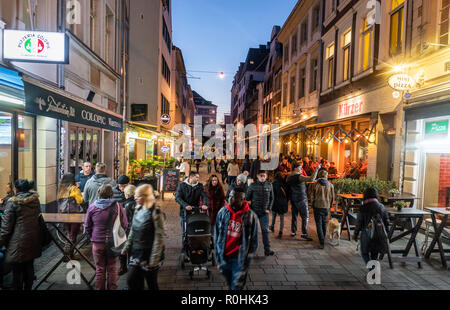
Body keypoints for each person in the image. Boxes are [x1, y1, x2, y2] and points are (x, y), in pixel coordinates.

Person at [0, 180, 42, 290]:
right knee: (29, 265)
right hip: (33, 238)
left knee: (17, 271)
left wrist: (1, 242)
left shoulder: (12, 202)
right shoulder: (35, 200)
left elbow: (6, 228)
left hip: (18, 242)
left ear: (16, 189)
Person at [84, 184, 128, 290]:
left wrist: (92, 237)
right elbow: (125, 224)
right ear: (111, 194)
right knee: (112, 268)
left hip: (97, 242)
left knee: (100, 269)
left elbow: (87, 226)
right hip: (113, 242)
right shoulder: (118, 206)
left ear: (99, 193)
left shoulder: (92, 207)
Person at [122, 184, 165, 290]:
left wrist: (154, 259)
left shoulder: (155, 212)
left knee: (151, 283)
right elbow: (133, 229)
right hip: (136, 251)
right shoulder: (137, 208)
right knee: (132, 280)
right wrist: (127, 246)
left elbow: (159, 237)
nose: (135, 197)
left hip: (149, 252)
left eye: (138, 195)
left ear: (145, 196)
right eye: (135, 195)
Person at [215, 188, 258, 290]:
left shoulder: (250, 216)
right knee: (230, 284)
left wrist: (247, 260)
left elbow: (254, 241)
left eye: (234, 197)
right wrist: (218, 256)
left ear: (242, 199)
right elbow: (216, 234)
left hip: (239, 259)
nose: (230, 199)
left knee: (237, 287)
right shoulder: (222, 212)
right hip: (224, 257)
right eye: (230, 196)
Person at [354, 187, 390, 265]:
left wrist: (356, 234)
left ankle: (372, 270)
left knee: (364, 253)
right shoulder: (381, 207)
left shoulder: (363, 208)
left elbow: (358, 222)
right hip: (378, 234)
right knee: (375, 254)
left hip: (366, 234)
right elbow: (387, 221)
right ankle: (373, 272)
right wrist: (387, 233)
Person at [287, 162, 320, 240]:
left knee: (294, 215)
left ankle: (293, 231)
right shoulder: (298, 176)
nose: (301, 169)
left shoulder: (289, 176)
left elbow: (297, 184)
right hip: (301, 198)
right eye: (300, 167)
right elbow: (311, 178)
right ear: (295, 168)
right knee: (305, 216)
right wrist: (316, 169)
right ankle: (304, 233)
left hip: (293, 198)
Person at [175, 172, 209, 246]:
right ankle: (185, 246)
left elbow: (204, 196)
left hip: (195, 211)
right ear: (191, 177)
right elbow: (177, 197)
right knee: (185, 231)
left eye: (198, 177)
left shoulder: (199, 186)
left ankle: (195, 245)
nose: (198, 179)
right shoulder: (182, 186)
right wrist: (185, 205)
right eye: (196, 177)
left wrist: (205, 204)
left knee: (194, 229)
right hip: (184, 212)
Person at [245, 170, 274, 256]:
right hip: (254, 212)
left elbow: (272, 198)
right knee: (252, 231)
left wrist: (269, 208)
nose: (262, 177)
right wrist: (250, 208)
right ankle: (250, 250)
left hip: (264, 212)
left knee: (265, 230)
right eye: (261, 175)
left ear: (266, 176)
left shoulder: (269, 185)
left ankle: (267, 250)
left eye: (264, 176)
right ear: (257, 176)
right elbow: (247, 198)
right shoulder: (252, 186)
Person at [57, 173, 84, 259]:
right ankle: (66, 254)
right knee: (72, 235)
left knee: (69, 234)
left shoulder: (61, 189)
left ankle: (70, 255)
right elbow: (80, 200)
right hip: (74, 215)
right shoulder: (74, 189)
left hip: (64, 215)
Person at [310, 170, 335, 249]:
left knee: (318, 224)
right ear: (326, 176)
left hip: (317, 206)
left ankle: (321, 241)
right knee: (324, 223)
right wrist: (330, 205)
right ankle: (322, 239)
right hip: (326, 206)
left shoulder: (315, 185)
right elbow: (332, 197)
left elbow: (311, 196)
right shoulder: (331, 185)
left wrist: (312, 204)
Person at [119, 184, 137, 276]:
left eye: (125, 193)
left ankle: (124, 267)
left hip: (127, 230)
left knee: (123, 249)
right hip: (135, 230)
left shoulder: (128, 204)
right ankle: (130, 268)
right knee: (131, 251)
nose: (124, 195)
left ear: (128, 194)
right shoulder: (137, 202)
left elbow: (124, 219)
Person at [269, 173, 289, 239]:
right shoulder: (285, 184)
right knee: (281, 218)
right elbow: (288, 193)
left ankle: (272, 227)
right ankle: (280, 232)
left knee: (274, 215)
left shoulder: (273, 184)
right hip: (283, 202)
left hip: (275, 202)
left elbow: (271, 194)